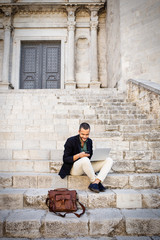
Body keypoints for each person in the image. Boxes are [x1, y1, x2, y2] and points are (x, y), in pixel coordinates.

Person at [59, 122, 113, 193]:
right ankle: (94, 181)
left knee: (109, 160)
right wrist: (79, 155)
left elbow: (90, 157)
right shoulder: (70, 141)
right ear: (79, 132)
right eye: (82, 134)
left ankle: (96, 182)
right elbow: (65, 159)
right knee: (84, 159)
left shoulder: (89, 141)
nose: (84, 136)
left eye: (87, 134)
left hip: (87, 165)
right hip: (74, 168)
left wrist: (96, 157)